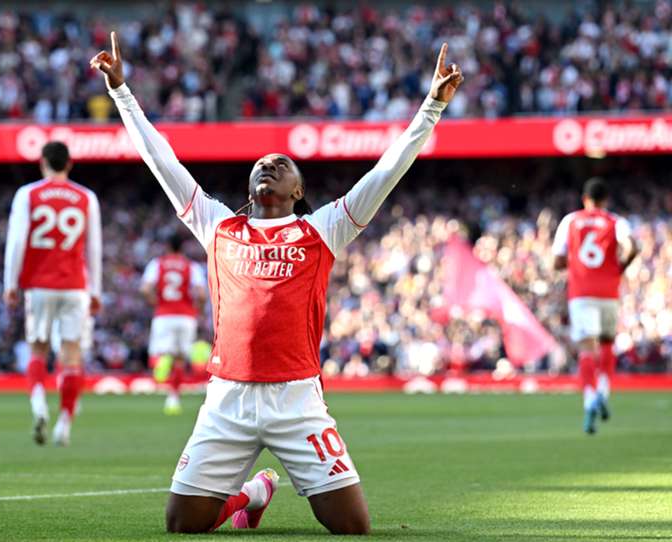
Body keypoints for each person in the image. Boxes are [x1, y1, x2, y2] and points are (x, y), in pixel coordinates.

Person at [92, 32, 462, 534]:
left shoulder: (323, 228)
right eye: (261, 165)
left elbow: (385, 172)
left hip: (296, 399)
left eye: (281, 165)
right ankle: (253, 493)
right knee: (182, 524)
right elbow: (163, 162)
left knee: (352, 527)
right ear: (250, 187)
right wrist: (121, 91)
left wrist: (432, 107)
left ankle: (261, 489)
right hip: (228, 398)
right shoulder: (218, 225)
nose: (268, 166)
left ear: (298, 189)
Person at [3, 141, 102, 446]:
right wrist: (95, 290)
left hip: (39, 285)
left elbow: (16, 242)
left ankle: (39, 406)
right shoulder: (86, 197)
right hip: (75, 286)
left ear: (42, 163)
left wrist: (10, 283)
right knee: (71, 355)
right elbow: (94, 247)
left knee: (38, 350)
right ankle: (65, 424)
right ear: (69, 164)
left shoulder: (27, 194)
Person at [552, 178, 638, 434]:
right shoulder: (615, 221)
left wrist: (574, 264)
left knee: (586, 348)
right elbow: (634, 246)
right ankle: (603, 391)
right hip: (608, 291)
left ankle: (590, 401)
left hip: (581, 293)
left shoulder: (570, 220)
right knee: (607, 343)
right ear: (606, 200)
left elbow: (556, 261)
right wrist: (621, 267)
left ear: (584, 199)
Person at [140, 232, 207, 415]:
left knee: (160, 353)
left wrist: (155, 301)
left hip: (164, 314)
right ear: (182, 247)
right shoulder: (191, 266)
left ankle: (163, 359)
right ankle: (173, 399)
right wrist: (198, 309)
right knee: (180, 359)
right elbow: (201, 294)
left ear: (167, 246)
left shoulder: (157, 264)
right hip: (186, 316)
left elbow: (145, 289)